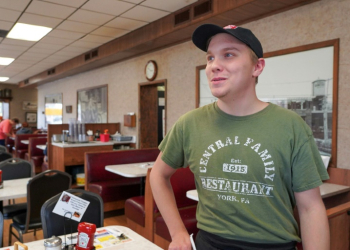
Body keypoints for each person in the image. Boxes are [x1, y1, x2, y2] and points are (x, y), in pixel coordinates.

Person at [150, 24, 330, 250]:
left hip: (274, 245)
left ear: (257, 66)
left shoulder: (291, 126)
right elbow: (158, 175)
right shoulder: (190, 124)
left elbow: (310, 208)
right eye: (210, 58)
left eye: (228, 55)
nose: (214, 65)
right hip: (210, 243)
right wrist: (178, 233)